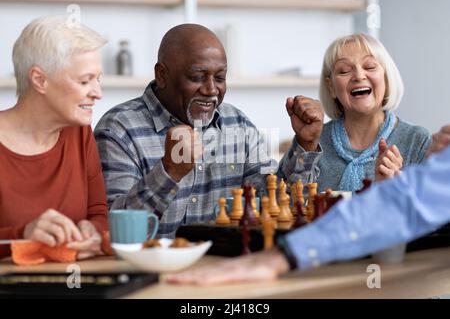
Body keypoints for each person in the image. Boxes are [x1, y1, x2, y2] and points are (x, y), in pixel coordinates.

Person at [94, 24, 323, 237]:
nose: (212, 90)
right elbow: (113, 231)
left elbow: (274, 205)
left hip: (225, 270)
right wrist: (169, 172)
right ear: (162, 75)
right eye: (197, 77)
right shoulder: (119, 129)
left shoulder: (238, 124)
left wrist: (305, 145)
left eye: (220, 77)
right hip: (149, 273)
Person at [166, 127, 450, 285]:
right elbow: (411, 201)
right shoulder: (319, 136)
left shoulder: (416, 139)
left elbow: (408, 203)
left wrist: (277, 258)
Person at [0, 16, 108, 259]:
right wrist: (23, 235)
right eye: (85, 80)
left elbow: (98, 212)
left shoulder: (79, 132)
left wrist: (93, 232)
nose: (98, 93)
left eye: (97, 79)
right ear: (40, 79)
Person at [280, 34, 431, 192]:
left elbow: (433, 211)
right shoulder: (312, 141)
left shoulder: (417, 141)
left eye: (370, 67)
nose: (359, 76)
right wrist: (306, 147)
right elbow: (278, 205)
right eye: (344, 71)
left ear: (386, 79)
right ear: (331, 86)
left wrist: (393, 193)